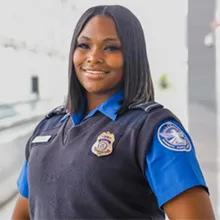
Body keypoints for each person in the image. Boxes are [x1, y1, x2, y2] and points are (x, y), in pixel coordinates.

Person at [12, 5, 215, 220]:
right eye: (84, 45)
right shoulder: (47, 129)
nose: (94, 57)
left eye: (110, 48)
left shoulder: (151, 131)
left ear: (131, 55)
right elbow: (22, 213)